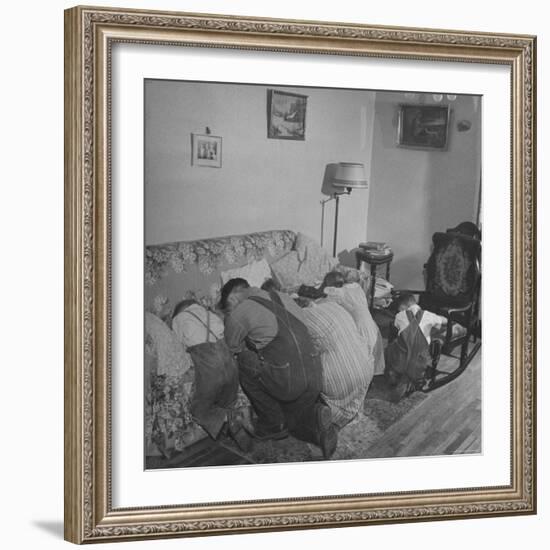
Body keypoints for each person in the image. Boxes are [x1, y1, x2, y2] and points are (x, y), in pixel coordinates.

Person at [220, 278, 338, 459]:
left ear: (232, 298)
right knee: (293, 419)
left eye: (228, 310)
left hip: (288, 379)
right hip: (314, 372)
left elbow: (231, 347)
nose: (230, 313)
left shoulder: (241, 310)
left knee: (244, 361)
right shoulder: (283, 296)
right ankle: (314, 421)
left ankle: (272, 423)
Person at [385, 293, 447, 398]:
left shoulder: (399, 316)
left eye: (400, 309)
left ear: (404, 306)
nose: (399, 311)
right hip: (420, 360)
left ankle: (394, 373)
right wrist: (438, 319)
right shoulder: (429, 315)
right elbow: (445, 321)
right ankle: (413, 379)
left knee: (392, 346)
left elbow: (395, 327)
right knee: (426, 342)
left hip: (401, 358)